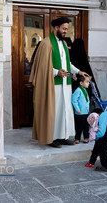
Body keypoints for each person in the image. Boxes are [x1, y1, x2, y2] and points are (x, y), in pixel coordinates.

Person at [29, 16, 89, 148]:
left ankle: (63, 136)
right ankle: (51, 138)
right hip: (52, 85)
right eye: (63, 28)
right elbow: (42, 67)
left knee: (65, 111)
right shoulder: (46, 44)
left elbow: (67, 64)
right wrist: (57, 72)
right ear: (56, 28)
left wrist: (78, 72)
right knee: (54, 111)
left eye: (67, 29)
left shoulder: (62, 44)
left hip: (65, 84)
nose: (65, 31)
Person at [72, 75, 91, 144]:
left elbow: (87, 100)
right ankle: (77, 138)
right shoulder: (78, 90)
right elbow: (74, 100)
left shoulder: (85, 90)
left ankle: (86, 137)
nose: (88, 83)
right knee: (79, 126)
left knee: (86, 126)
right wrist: (77, 109)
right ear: (81, 83)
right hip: (80, 112)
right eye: (87, 82)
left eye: (88, 82)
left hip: (85, 112)